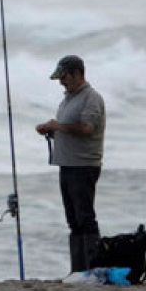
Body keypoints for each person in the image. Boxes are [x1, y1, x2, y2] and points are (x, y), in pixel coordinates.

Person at [35, 55, 106, 274]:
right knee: (73, 220)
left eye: (64, 77)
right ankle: (78, 271)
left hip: (83, 166)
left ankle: (93, 270)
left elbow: (86, 129)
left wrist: (59, 126)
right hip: (67, 165)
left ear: (77, 73)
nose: (61, 82)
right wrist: (52, 130)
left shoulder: (91, 98)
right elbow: (69, 130)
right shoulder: (68, 99)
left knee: (85, 218)